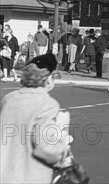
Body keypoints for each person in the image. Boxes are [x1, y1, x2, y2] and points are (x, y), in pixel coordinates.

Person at [0, 53, 72, 184]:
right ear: (48, 79)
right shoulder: (47, 104)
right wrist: (62, 136)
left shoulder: (9, 99)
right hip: (29, 175)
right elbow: (46, 148)